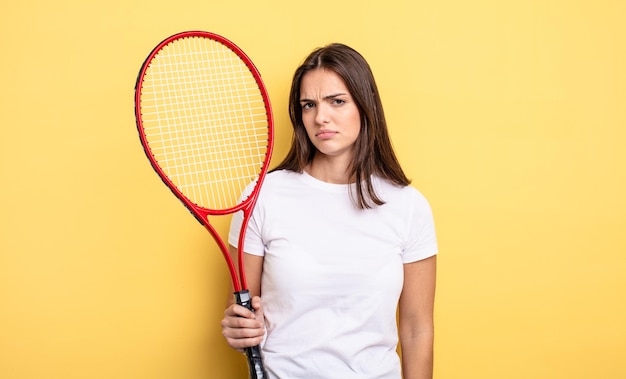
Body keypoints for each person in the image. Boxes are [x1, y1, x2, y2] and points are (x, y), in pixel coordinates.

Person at [221, 43, 438, 379]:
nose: (320, 117)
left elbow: (416, 329)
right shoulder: (262, 198)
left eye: (337, 101)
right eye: (309, 105)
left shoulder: (408, 206)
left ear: (365, 107)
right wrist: (240, 329)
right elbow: (245, 314)